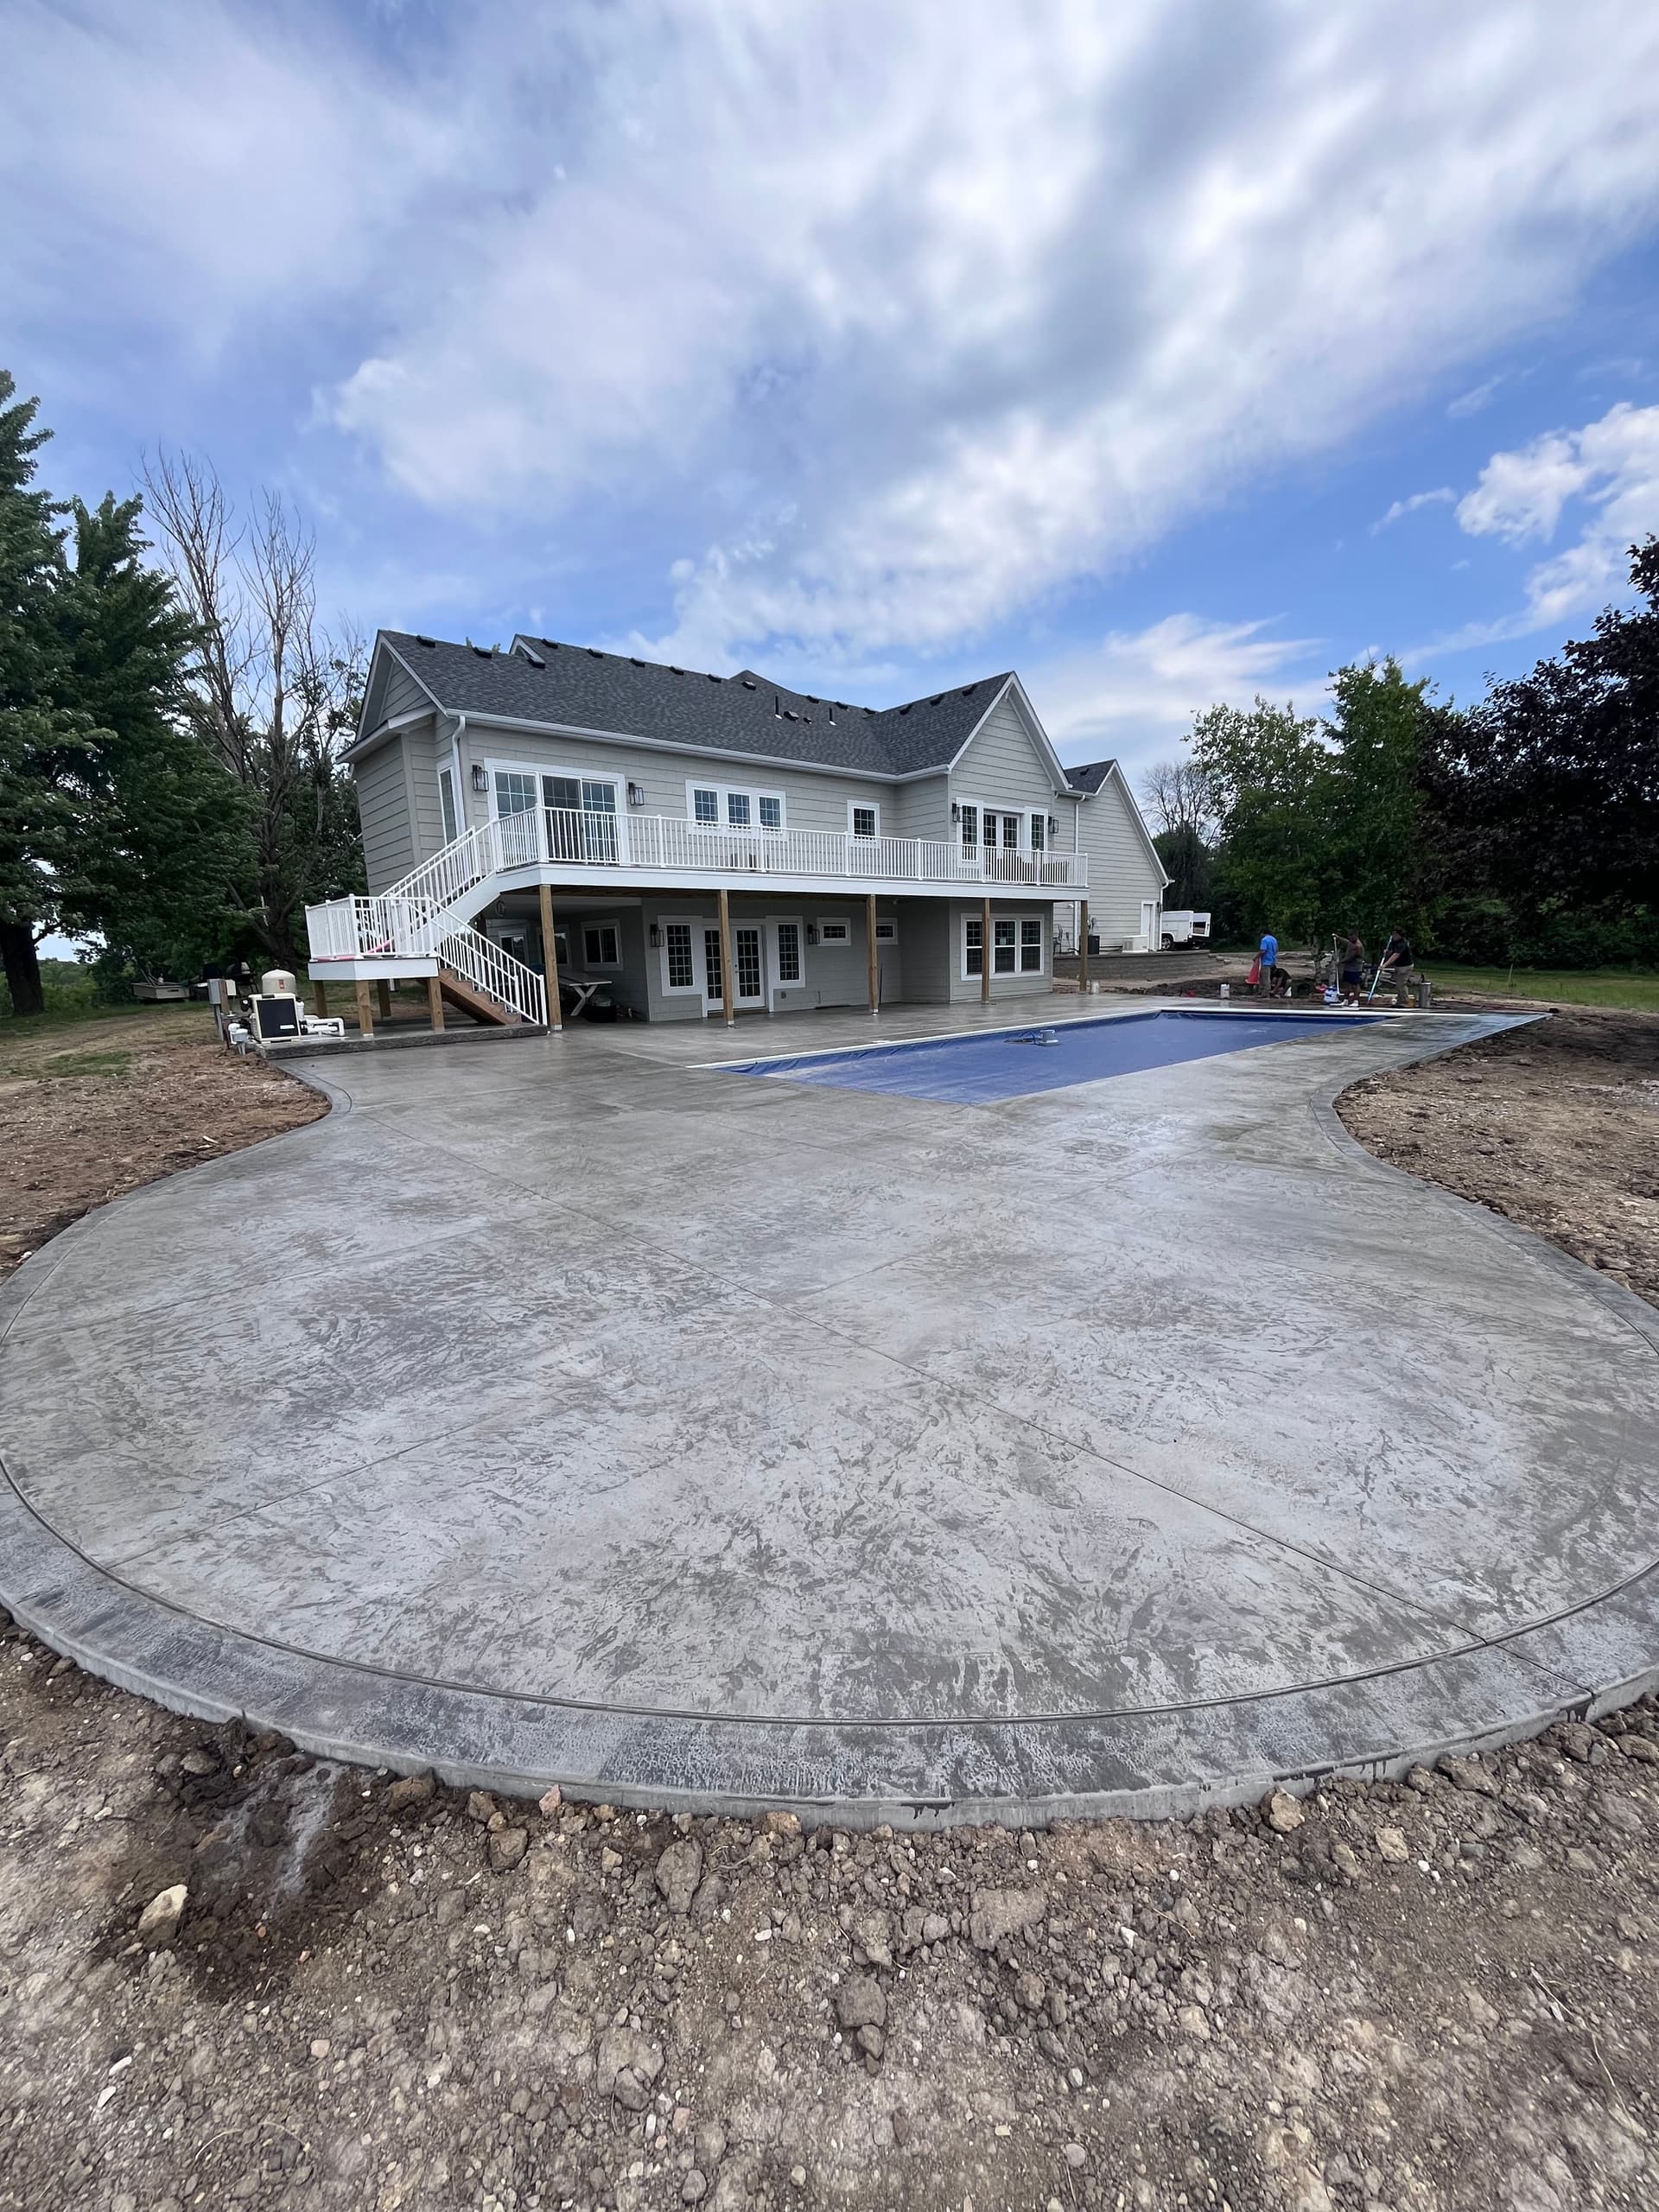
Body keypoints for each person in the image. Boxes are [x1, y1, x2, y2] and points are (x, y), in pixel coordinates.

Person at [1378, 926, 1414, 1002]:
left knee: (1401, 984)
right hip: (1398, 965)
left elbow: (1395, 955)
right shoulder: (1393, 942)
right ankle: (1400, 999)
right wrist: (1387, 952)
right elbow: (1391, 951)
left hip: (1405, 966)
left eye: (1394, 934)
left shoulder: (1402, 943)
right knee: (1398, 984)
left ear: (1399, 935)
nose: (1393, 936)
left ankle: (1404, 1001)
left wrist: (1384, 965)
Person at [1338, 929, 1365, 1004]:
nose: (1350, 938)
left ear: (1356, 936)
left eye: (1351, 936)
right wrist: (1338, 937)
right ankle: (1346, 1000)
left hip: (1355, 968)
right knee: (1346, 984)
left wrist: (1340, 962)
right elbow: (1346, 942)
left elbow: (1350, 957)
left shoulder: (1358, 946)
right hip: (1348, 967)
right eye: (1349, 936)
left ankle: (1356, 1001)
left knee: (1355, 984)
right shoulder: (1351, 942)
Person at [1256, 928, 1279, 999]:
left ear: (1263, 933)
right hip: (1272, 960)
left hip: (1266, 961)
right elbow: (1276, 949)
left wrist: (1256, 957)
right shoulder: (1274, 939)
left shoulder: (1264, 940)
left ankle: (1266, 992)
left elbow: (1263, 950)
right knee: (1263, 976)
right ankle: (1262, 991)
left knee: (1265, 977)